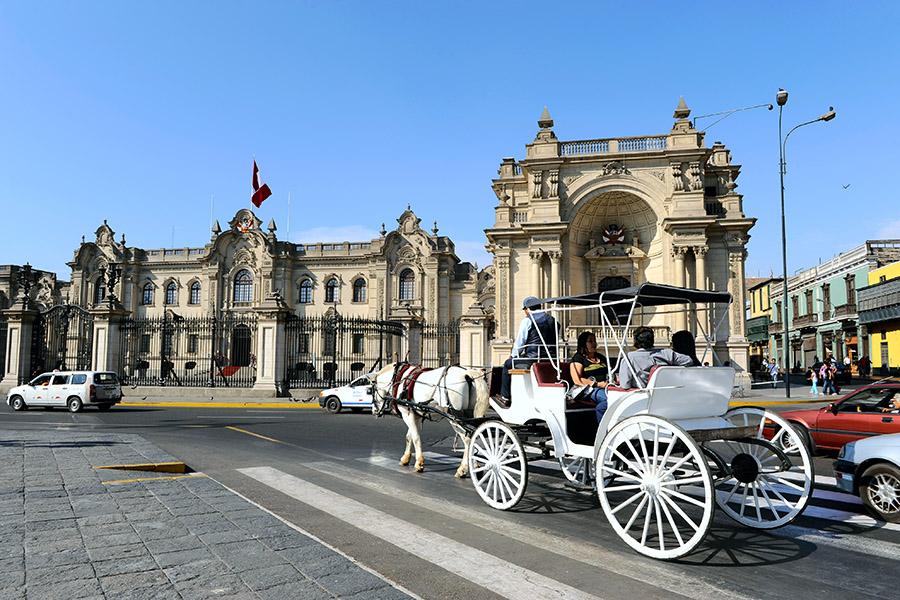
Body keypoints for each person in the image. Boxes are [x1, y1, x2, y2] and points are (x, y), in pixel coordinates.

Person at [497, 296, 558, 405]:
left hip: (533, 358)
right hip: (552, 358)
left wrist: (513, 356)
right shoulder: (552, 320)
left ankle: (505, 397)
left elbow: (520, 341)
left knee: (507, 364)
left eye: (525, 310)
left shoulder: (528, 320)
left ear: (527, 308)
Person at [617, 327, 694, 389]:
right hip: (667, 392)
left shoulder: (629, 358)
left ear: (635, 341)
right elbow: (688, 361)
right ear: (652, 340)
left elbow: (625, 385)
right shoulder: (667, 353)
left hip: (642, 396)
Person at [569, 331, 609, 423]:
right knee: (609, 400)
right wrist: (597, 384)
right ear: (584, 344)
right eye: (590, 341)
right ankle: (603, 431)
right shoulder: (578, 358)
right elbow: (577, 380)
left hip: (607, 386)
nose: (594, 344)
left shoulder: (601, 357)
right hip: (589, 390)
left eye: (594, 341)